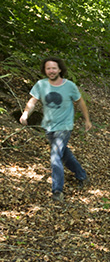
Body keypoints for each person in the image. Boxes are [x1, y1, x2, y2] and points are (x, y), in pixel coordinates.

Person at [20, 57, 92, 201]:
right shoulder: (41, 85)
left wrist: (87, 120)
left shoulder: (69, 86)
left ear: (60, 69)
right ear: (44, 70)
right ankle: (82, 175)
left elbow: (80, 102)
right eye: (48, 68)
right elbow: (32, 101)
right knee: (64, 154)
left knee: (55, 156)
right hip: (48, 127)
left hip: (64, 127)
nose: (51, 71)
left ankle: (57, 191)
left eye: (54, 68)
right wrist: (25, 114)